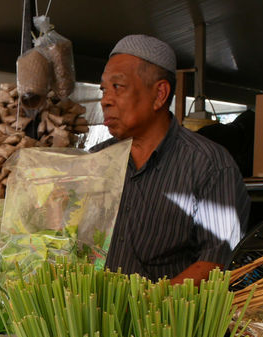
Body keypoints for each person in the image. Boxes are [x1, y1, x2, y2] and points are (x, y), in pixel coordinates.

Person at [93, 34, 250, 283]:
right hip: (92, 317)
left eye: (118, 87)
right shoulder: (96, 161)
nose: (105, 100)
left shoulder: (210, 165)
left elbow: (217, 261)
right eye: (103, 89)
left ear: (159, 94)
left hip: (164, 318)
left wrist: (151, 304)